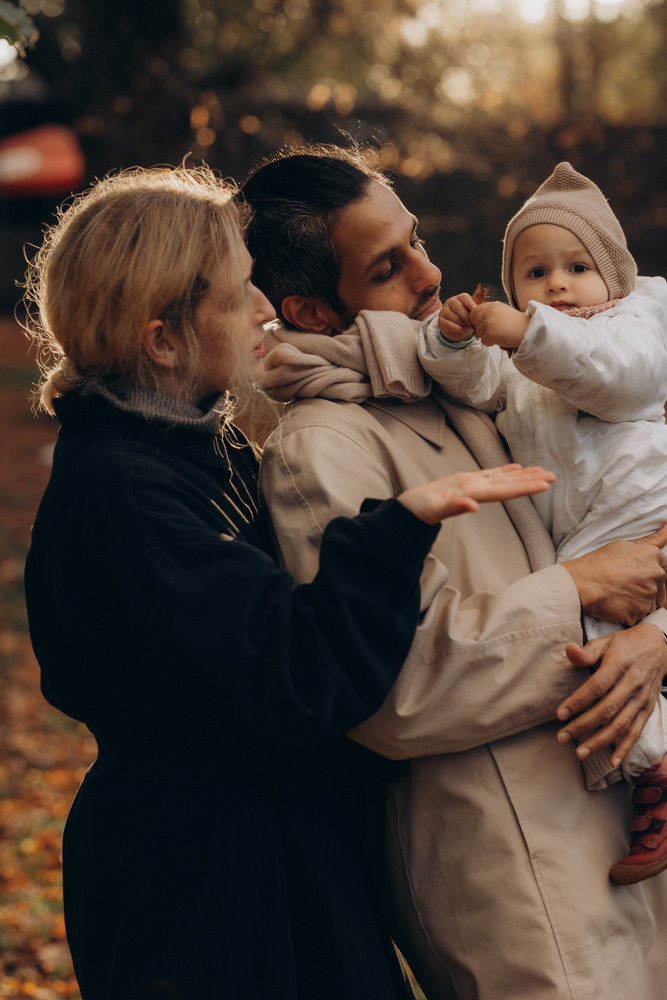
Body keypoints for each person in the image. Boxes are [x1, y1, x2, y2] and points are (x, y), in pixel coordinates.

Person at [20, 164, 558, 1000]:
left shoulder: (197, 445)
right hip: (205, 898)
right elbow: (296, 673)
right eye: (239, 293)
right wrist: (395, 526)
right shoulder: (125, 497)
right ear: (162, 338)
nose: (266, 306)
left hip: (275, 853)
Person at [241, 144, 667, 1000]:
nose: (432, 273)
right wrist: (577, 590)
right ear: (311, 309)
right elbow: (387, 690)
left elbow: (633, 518)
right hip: (516, 877)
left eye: (419, 239)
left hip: (623, 826)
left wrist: (653, 638)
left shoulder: (476, 386)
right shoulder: (321, 449)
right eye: (388, 265)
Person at [422, 161, 667, 885]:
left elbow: (613, 375)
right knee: (598, 644)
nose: (556, 285)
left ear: (613, 275)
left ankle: (648, 767)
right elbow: (479, 389)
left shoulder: (634, 323)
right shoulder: (522, 352)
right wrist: (457, 343)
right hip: (578, 525)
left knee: (602, 646)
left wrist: (528, 332)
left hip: (638, 501)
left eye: (576, 266)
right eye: (534, 272)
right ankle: (648, 771)